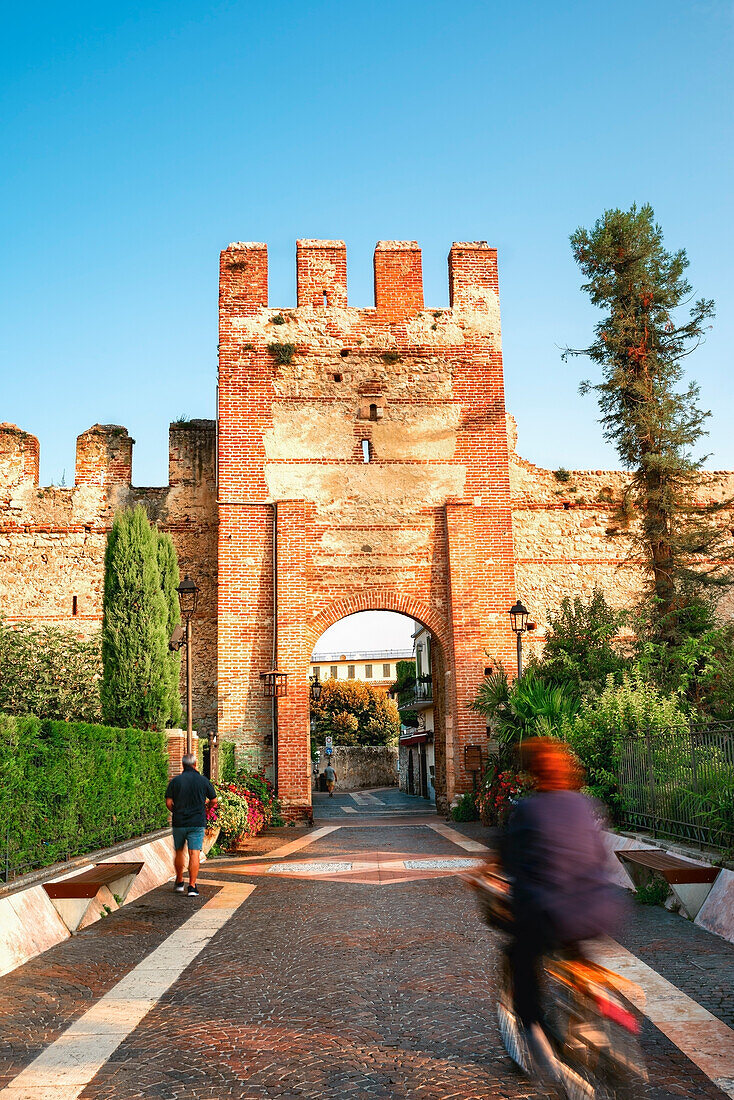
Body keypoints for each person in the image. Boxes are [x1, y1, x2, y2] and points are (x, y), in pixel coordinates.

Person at [501, 738, 622, 1076]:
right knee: (577, 954)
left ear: (532, 774)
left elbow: (509, 862)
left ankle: (537, 1038)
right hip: (599, 909)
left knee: (519, 957)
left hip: (550, 916)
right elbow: (599, 856)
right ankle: (594, 1020)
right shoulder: (587, 805)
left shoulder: (527, 810)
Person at [165, 753, 217, 897]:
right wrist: (206, 808)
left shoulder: (175, 782)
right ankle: (192, 886)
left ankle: (180, 881)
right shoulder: (203, 780)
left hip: (179, 822)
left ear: (183, 765)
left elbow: (169, 803)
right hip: (197, 822)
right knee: (194, 853)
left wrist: (177, 811)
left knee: (179, 851)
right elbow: (214, 800)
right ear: (195, 764)